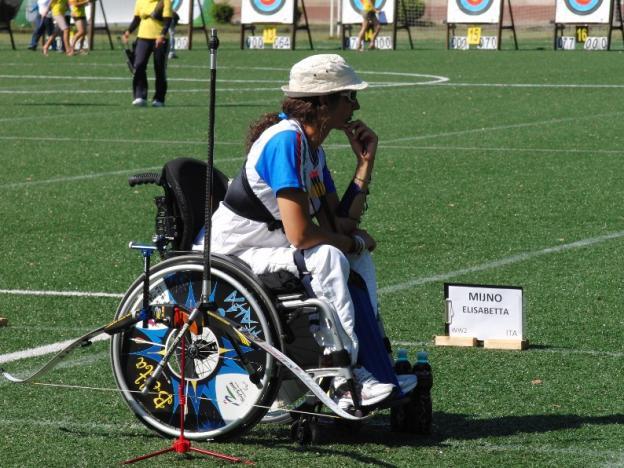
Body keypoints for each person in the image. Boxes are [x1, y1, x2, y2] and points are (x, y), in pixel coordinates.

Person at [194, 55, 417, 409]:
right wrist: (349, 241)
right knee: (328, 254)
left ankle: (376, 366)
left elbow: (336, 224)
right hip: (232, 256)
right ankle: (342, 376)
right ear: (324, 101)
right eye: (349, 96)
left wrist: (364, 165)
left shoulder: (312, 150)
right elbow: (301, 235)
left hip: (263, 249)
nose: (356, 105)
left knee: (350, 252)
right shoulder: (286, 142)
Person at [123, 0, 173, 108]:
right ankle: (140, 96)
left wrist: (162, 35)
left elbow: (168, 20)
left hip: (160, 39)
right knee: (139, 65)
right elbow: (137, 18)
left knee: (159, 68)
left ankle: (159, 99)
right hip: (142, 37)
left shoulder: (165, 1)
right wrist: (128, 31)